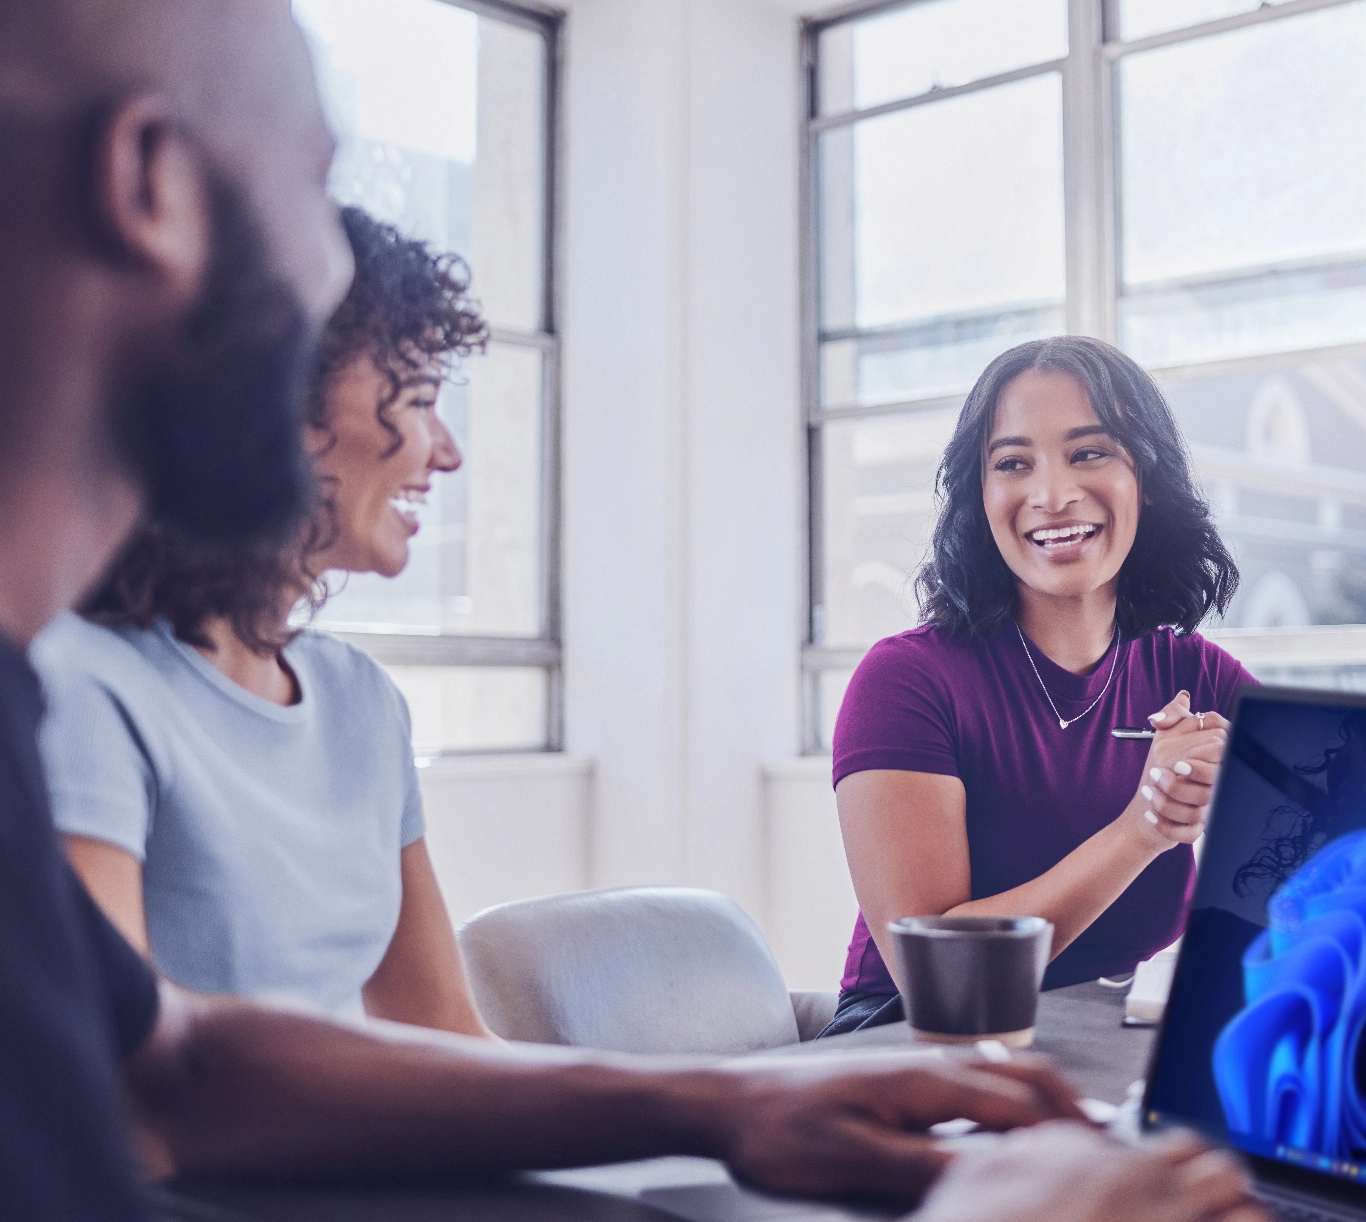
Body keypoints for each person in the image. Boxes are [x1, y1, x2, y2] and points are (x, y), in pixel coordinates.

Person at [0, 4, 1265, 1220]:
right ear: (153, 184)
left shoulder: (310, 704)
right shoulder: (77, 693)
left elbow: (188, 1060)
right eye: (310, 182)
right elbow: (154, 1102)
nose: (446, 447)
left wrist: (724, 1108)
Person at [34, 205, 494, 1037]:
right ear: (288, 397)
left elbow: (447, 1030)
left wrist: (681, 1112)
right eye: (420, 396)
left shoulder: (363, 702)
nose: (447, 451)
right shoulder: (82, 686)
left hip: (364, 1169)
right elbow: (138, 1076)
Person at [824, 336, 1256, 1037]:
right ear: (982, 494)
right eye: (1013, 464)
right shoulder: (906, 681)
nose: (1051, 496)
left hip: (1105, 1038)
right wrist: (1144, 827)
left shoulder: (1195, 674)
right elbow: (943, 974)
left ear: (1146, 477)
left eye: (1089, 453)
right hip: (913, 1042)